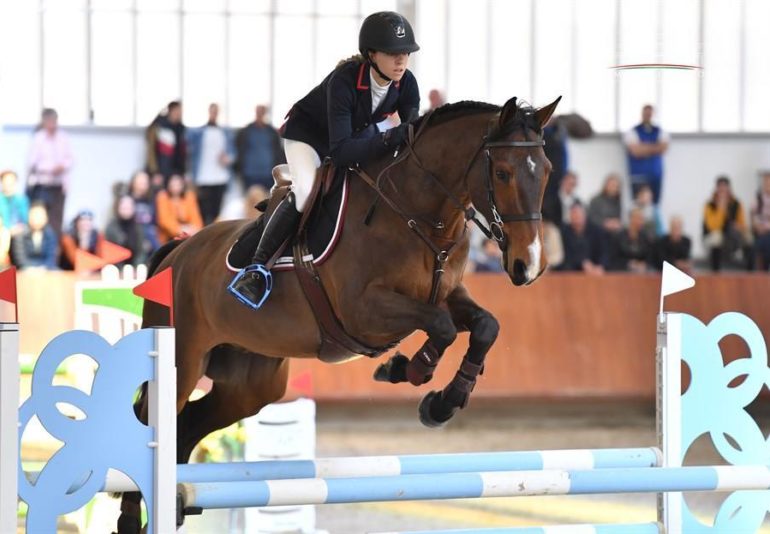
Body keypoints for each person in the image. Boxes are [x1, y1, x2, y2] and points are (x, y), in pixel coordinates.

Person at [229, 11, 420, 309]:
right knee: (306, 190)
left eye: (406, 53)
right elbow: (342, 151)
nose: (401, 60)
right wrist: (386, 138)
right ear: (371, 54)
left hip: (351, 136)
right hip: (308, 137)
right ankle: (257, 270)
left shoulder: (406, 84)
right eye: (393, 53)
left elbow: (411, 138)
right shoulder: (344, 81)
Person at [26, 108, 73, 237]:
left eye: (54, 121)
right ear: (44, 122)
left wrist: (62, 166)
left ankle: (53, 253)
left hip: (59, 186)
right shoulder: (38, 138)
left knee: (56, 222)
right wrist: (51, 168)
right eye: (49, 121)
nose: (52, 124)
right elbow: (32, 163)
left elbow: (70, 159)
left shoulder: (63, 137)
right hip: (42, 186)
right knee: (39, 219)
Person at [188, 103, 234, 225]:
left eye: (216, 112)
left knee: (216, 212)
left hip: (220, 177)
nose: (214, 114)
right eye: (212, 111)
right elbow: (190, 151)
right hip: (203, 178)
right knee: (202, 212)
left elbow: (233, 153)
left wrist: (228, 158)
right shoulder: (197, 132)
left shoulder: (225, 132)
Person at [703, 176, 753, 271]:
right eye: (720, 187)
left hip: (732, 235)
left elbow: (742, 223)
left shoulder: (736, 203)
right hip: (716, 234)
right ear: (716, 189)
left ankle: (749, 270)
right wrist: (721, 209)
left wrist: (739, 226)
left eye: (724, 187)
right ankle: (715, 271)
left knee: (748, 237)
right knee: (716, 237)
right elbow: (713, 227)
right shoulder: (710, 205)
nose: (722, 190)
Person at [235, 105, 286, 196]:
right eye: (258, 111)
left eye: (262, 112)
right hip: (249, 174)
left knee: (267, 202)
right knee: (251, 202)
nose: (260, 114)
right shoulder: (246, 131)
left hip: (268, 174)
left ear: (265, 113)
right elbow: (238, 150)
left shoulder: (272, 132)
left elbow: (279, 152)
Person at [624, 104, 669, 205]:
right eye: (646, 113)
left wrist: (643, 147)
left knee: (655, 205)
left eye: (650, 113)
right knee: (637, 205)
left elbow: (664, 148)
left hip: (655, 175)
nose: (648, 115)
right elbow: (635, 151)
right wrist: (655, 147)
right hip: (638, 175)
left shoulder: (660, 131)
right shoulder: (633, 131)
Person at [155, 174, 204, 244]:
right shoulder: (162, 197)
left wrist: (192, 230)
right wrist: (180, 230)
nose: (175, 188)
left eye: (178, 184)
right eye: (173, 184)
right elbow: (164, 220)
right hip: (169, 237)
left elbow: (196, 218)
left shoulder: (189, 196)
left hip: (190, 235)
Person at [558, 203, 606, 275]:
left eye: (579, 214)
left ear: (585, 215)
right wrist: (582, 263)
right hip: (572, 273)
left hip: (596, 272)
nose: (576, 217)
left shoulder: (597, 231)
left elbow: (604, 252)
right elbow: (565, 257)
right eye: (574, 214)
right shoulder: (564, 232)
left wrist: (601, 266)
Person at [105, 195, 151, 267]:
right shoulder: (111, 227)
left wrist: (136, 267)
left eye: (129, 207)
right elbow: (110, 251)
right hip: (116, 266)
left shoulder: (138, 226)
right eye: (124, 207)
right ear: (118, 208)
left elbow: (141, 251)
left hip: (135, 267)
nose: (126, 210)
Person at [145, 101, 186, 180]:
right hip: (160, 170)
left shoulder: (181, 128)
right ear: (171, 110)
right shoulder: (159, 126)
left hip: (176, 170)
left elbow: (182, 152)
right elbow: (151, 149)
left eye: (181, 111)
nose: (179, 114)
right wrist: (154, 171)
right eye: (177, 110)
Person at [10, 203, 58, 270]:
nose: (36, 219)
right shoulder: (20, 234)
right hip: (24, 271)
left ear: (46, 218)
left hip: (45, 270)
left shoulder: (50, 234)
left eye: (40, 216)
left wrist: (42, 269)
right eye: (34, 215)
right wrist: (32, 269)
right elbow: (19, 259)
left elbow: (51, 258)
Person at [608, 208, 654, 272]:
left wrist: (644, 264)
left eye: (642, 219)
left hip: (642, 273)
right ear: (631, 219)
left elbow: (650, 258)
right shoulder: (619, 237)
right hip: (623, 273)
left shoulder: (646, 238)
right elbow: (613, 259)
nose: (641, 222)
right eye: (639, 219)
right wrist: (628, 264)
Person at [127, 170, 160, 252]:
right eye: (141, 181)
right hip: (133, 233)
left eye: (145, 182)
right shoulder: (128, 200)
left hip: (149, 235)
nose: (143, 184)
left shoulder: (151, 200)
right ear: (133, 183)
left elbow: (154, 221)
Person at [0, 170, 30, 236]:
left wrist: (18, 228)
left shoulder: (22, 199)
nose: (8, 184)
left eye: (11, 182)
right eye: (6, 181)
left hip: (18, 231)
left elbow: (25, 219)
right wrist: (7, 229)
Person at [752, 171, 770, 271]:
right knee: (761, 243)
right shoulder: (758, 199)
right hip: (761, 233)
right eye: (766, 182)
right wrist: (758, 227)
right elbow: (754, 217)